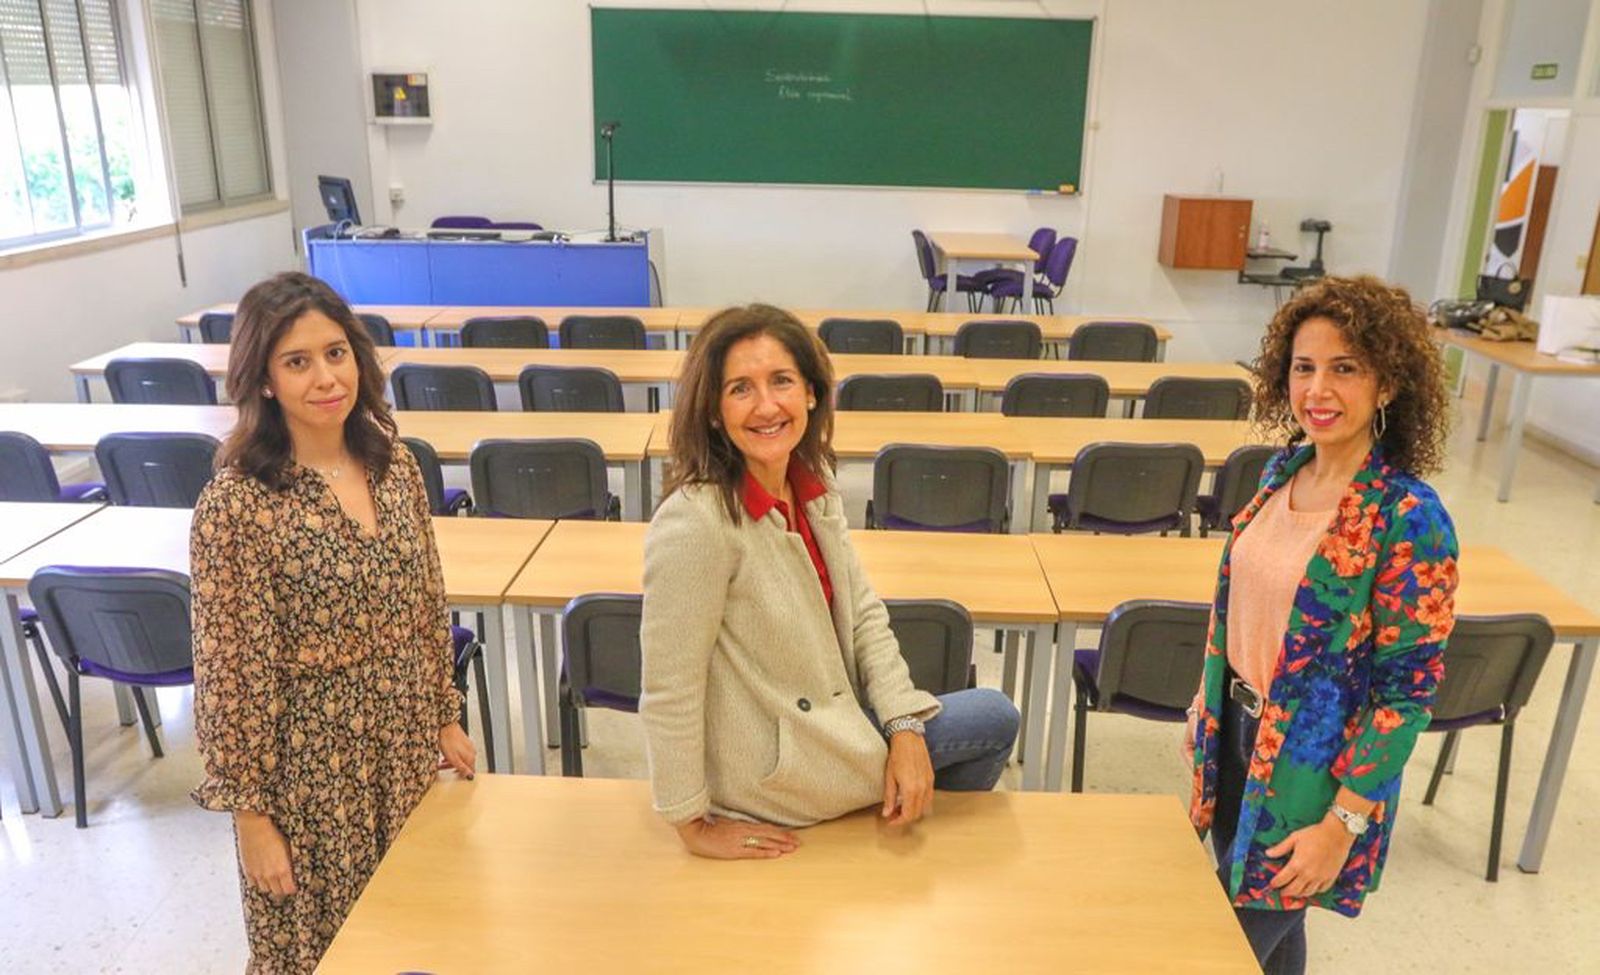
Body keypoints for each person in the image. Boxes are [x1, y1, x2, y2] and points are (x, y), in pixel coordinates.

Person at [640, 304, 1020, 858]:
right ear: (715, 412)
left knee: (985, 716)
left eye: (782, 382)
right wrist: (689, 822)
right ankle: (895, 846)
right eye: (740, 389)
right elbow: (669, 685)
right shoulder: (696, 521)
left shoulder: (812, 484)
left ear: (812, 394)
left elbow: (864, 614)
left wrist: (905, 724)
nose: (767, 405)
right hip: (781, 764)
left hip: (833, 719)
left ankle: (896, 832)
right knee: (992, 717)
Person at [189, 272, 475, 973]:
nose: (326, 377)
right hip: (310, 775)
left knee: (413, 933)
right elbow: (231, 673)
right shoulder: (237, 505)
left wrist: (442, 712)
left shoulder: (395, 466)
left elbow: (424, 603)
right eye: (297, 361)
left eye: (337, 353)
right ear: (262, 379)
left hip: (404, 743)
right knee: (324, 950)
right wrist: (252, 818)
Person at [1185, 275, 1459, 974]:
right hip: (1239, 740)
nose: (1318, 390)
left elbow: (1407, 695)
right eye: (1304, 368)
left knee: (1210, 949)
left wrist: (1343, 822)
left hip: (1310, 779)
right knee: (1272, 945)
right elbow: (1241, 605)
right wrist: (1206, 699)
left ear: (1387, 384)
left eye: (1345, 369)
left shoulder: (1408, 516)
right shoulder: (1285, 471)